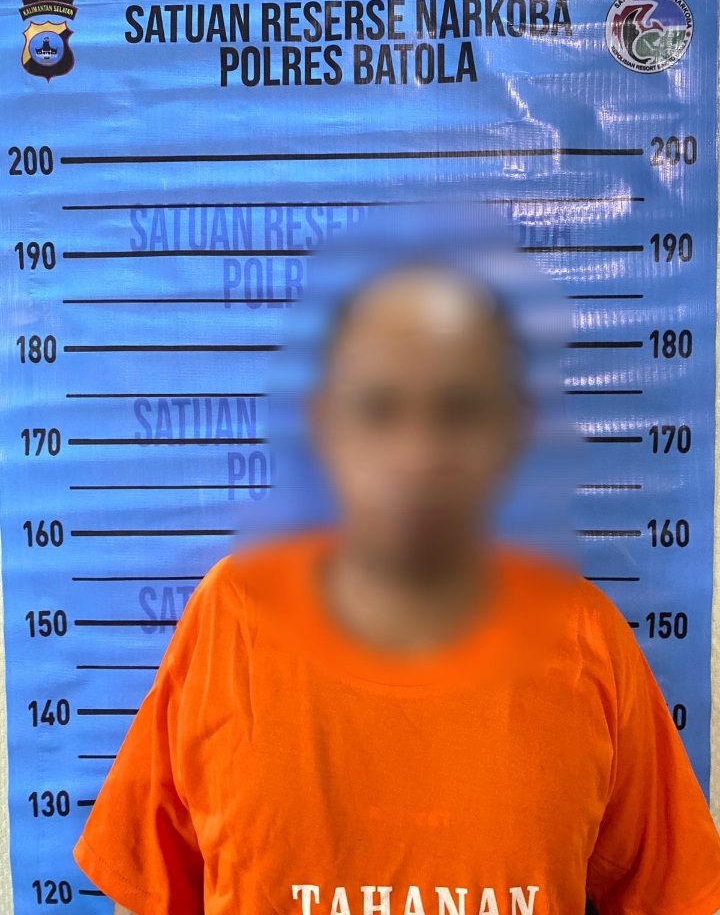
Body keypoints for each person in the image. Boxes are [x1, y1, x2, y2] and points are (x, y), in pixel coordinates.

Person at [72, 254, 720, 915]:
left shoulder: (584, 637)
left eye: (460, 411)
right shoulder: (232, 618)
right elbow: (149, 889)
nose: (418, 455)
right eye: (379, 410)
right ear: (326, 427)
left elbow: (674, 895)